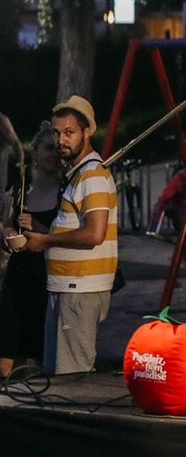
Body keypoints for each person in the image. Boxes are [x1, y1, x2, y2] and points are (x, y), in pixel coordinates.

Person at [15, 98, 118, 375]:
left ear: (87, 132)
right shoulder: (77, 174)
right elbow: (75, 228)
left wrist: (45, 241)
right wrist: (44, 229)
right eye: (57, 133)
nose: (61, 140)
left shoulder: (92, 175)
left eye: (69, 132)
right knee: (58, 371)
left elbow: (94, 234)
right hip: (67, 286)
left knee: (71, 377)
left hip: (80, 289)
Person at [1, 123, 62, 379]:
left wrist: (40, 227)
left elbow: (70, 235)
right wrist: (7, 234)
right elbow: (6, 224)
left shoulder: (65, 191)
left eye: (58, 150)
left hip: (46, 278)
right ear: (35, 152)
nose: (54, 154)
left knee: (35, 358)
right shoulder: (20, 189)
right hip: (17, 277)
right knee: (5, 355)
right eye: (48, 148)